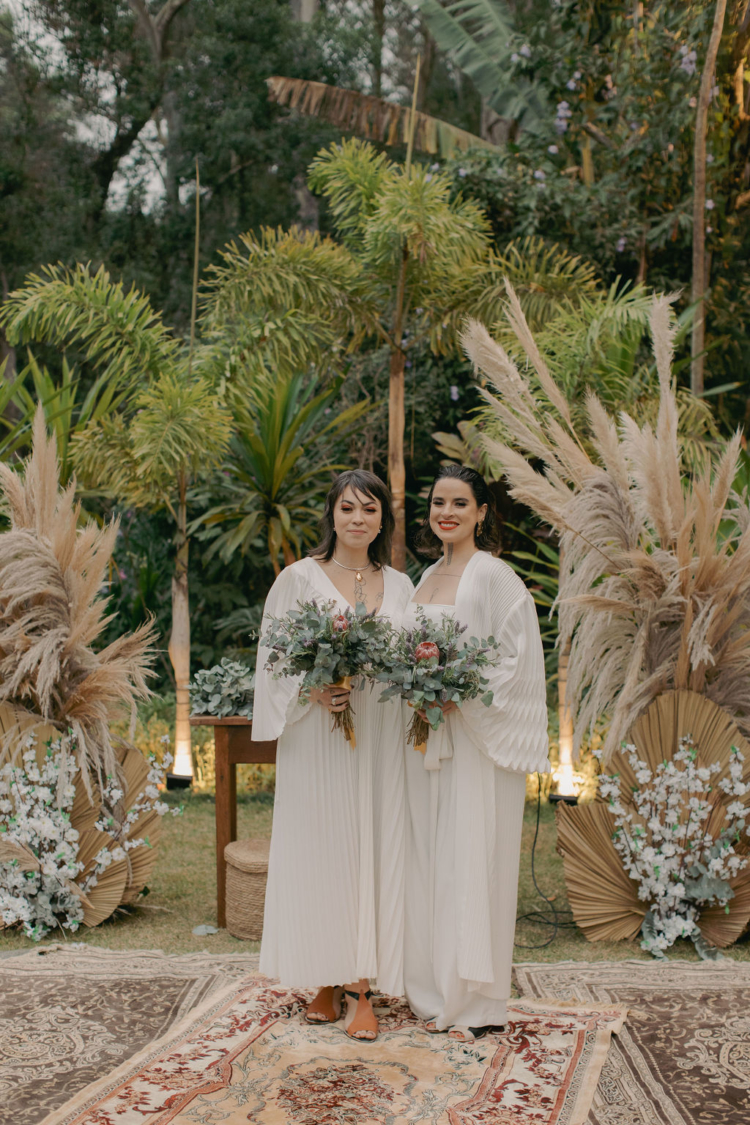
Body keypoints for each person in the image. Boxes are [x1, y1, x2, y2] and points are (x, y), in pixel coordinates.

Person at [252, 470, 414, 1041]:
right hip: (317, 735)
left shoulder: (400, 586)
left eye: (369, 510)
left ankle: (362, 989)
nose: (358, 519)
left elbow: (410, 657)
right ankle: (322, 976)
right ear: (332, 514)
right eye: (348, 508)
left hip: (379, 735)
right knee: (322, 850)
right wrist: (314, 690)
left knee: (371, 846)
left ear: (382, 519)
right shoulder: (298, 579)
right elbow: (272, 659)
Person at [403, 464, 549, 1042]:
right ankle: (432, 988)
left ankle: (473, 1001)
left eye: (461, 503)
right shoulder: (425, 576)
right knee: (430, 854)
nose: (448, 512)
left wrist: (462, 695)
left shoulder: (494, 576)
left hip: (475, 737)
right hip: (426, 734)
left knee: (471, 855)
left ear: (482, 512)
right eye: (440, 501)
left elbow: (517, 654)